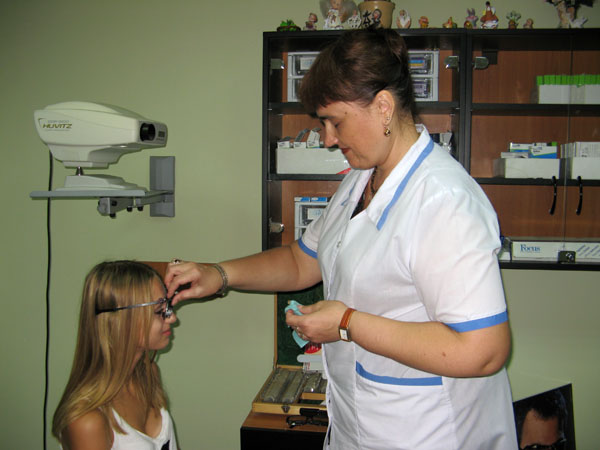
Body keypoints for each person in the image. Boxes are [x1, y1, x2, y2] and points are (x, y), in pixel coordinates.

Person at [165, 29, 517, 449]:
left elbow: (483, 350)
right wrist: (219, 274)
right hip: (359, 425)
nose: (329, 139)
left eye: (336, 121)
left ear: (383, 107)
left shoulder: (445, 201)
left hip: (429, 432)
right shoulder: (361, 180)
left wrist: (347, 324)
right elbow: (302, 260)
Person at [53, 260, 178, 449]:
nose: (172, 317)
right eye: (159, 310)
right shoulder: (88, 422)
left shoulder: (148, 375)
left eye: (167, 306)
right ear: (121, 321)